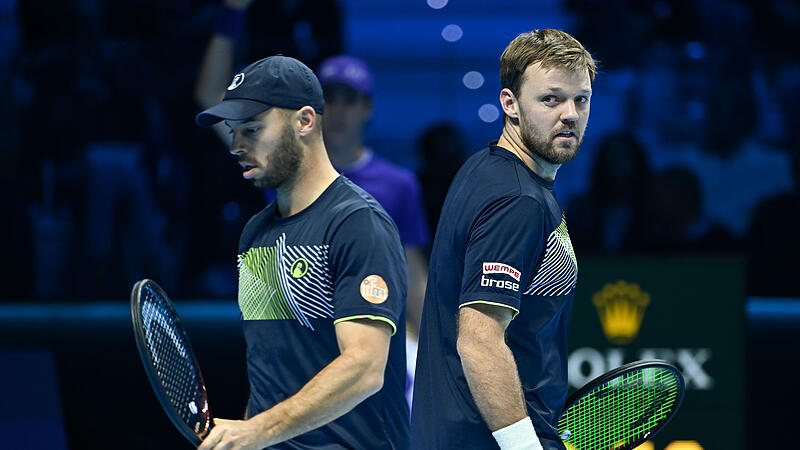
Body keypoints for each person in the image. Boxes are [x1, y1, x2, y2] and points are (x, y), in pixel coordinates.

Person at [194, 55, 408, 450]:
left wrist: (255, 432)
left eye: (253, 130)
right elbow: (270, 375)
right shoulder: (255, 235)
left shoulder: (357, 223)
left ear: (305, 121)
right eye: (234, 131)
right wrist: (246, 433)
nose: (237, 146)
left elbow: (365, 368)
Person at [410, 29, 596, 450]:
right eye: (550, 99)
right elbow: (479, 340)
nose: (569, 114)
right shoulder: (518, 201)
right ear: (509, 104)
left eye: (580, 99)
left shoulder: (484, 167)